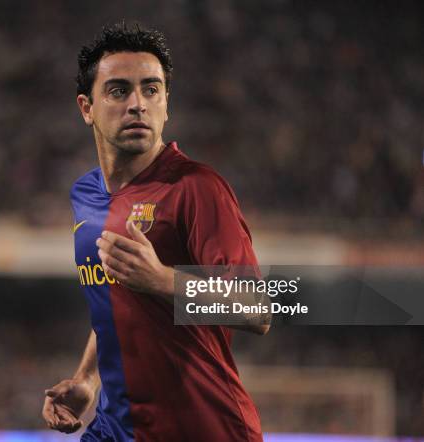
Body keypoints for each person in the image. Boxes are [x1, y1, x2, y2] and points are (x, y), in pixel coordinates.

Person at [42, 22, 269, 442]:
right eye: (118, 90)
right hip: (116, 427)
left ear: (166, 104)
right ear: (86, 107)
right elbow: (118, 300)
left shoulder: (198, 189)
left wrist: (164, 279)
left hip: (203, 428)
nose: (137, 104)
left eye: (151, 90)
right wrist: (87, 379)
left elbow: (257, 309)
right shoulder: (85, 195)